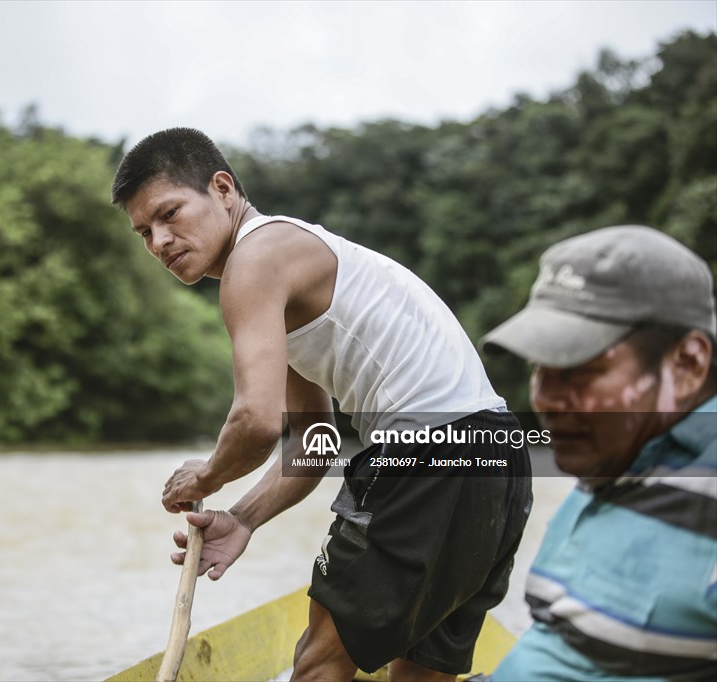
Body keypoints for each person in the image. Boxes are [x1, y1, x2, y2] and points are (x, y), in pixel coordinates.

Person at [111, 127, 532, 681]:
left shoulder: (254, 260)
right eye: (145, 232)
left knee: (318, 663)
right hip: (500, 456)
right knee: (421, 672)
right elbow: (314, 442)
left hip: (430, 454)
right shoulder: (281, 266)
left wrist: (206, 476)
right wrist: (242, 519)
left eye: (170, 214)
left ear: (223, 189)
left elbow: (256, 422)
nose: (160, 242)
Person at [480, 225, 717, 680]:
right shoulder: (618, 454)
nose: (547, 398)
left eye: (579, 368)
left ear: (687, 364)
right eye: (538, 367)